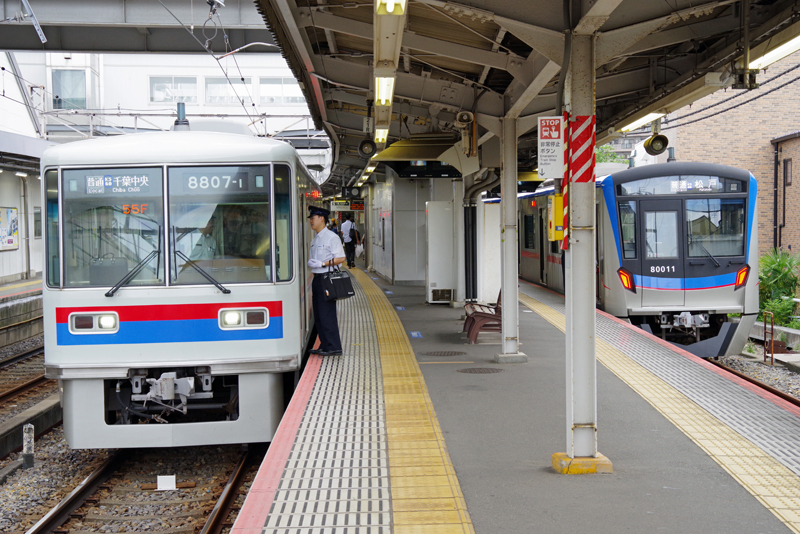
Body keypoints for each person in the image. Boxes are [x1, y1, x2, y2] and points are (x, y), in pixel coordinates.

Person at [307, 205, 346, 356]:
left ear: (321, 218)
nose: (311, 221)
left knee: (327, 314)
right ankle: (325, 344)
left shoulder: (331, 237)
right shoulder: (316, 238)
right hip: (317, 279)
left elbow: (341, 258)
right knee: (318, 314)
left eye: (313, 218)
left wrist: (322, 264)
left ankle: (334, 346)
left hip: (327, 279)